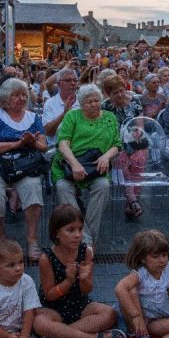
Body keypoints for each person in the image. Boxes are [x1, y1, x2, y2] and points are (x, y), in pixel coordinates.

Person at [32, 205, 126, 338]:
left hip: (79, 304)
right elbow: (49, 295)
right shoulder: (46, 258)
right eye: (70, 230)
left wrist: (84, 279)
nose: (77, 235)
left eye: (80, 229)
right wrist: (68, 281)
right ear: (57, 233)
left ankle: (59, 336)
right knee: (39, 322)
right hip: (53, 309)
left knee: (110, 314)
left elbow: (87, 290)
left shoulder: (86, 252)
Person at [0, 78, 46, 257]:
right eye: (16, 95)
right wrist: (16, 144)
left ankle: (32, 239)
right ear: (6, 97)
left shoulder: (34, 118)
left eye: (23, 94)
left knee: (33, 188)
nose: (21, 98)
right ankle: (0, 238)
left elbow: (43, 146)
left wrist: (32, 142)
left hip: (24, 165)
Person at [52, 84, 121, 247]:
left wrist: (106, 156)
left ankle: (84, 240)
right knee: (63, 187)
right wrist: (75, 164)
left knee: (103, 186)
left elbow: (117, 144)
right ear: (81, 103)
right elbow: (62, 144)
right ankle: (87, 242)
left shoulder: (110, 117)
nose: (94, 104)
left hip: (97, 168)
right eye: (89, 102)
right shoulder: (72, 116)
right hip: (70, 166)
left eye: (96, 101)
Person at [102, 75, 147, 219]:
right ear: (108, 94)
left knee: (139, 159)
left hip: (134, 141)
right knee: (121, 159)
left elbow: (140, 126)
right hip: (115, 143)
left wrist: (137, 133)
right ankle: (133, 200)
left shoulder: (135, 101)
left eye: (122, 90)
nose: (120, 95)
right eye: (115, 93)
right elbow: (105, 132)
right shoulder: (105, 106)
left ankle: (131, 202)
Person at [42, 68, 79, 146]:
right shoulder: (50, 103)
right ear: (59, 84)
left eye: (75, 80)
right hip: (56, 147)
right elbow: (48, 132)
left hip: (80, 146)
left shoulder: (83, 101)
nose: (72, 83)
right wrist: (64, 114)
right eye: (68, 80)